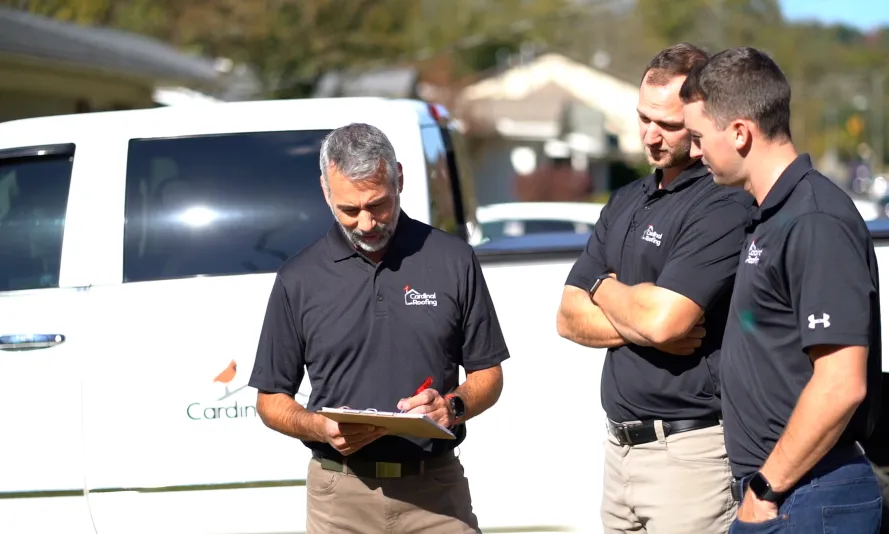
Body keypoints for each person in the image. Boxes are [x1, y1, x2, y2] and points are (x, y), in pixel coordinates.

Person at [248, 122, 509, 534]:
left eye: (378, 205)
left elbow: (488, 374)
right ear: (325, 192)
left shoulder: (453, 260)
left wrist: (451, 407)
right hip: (340, 496)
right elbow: (271, 400)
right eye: (349, 210)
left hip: (436, 494)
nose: (366, 223)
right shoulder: (298, 278)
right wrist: (320, 427)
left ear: (399, 179)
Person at [679, 46, 883, 533]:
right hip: (788, 493)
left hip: (804, 494)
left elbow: (840, 383)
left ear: (741, 133)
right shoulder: (769, 215)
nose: (693, 151)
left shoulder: (813, 220)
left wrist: (765, 490)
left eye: (697, 136)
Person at [556, 43, 755, 534]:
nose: (649, 135)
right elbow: (566, 315)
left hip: (690, 455)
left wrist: (601, 289)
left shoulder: (722, 202)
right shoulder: (626, 199)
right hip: (618, 452)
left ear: (701, 114)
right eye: (643, 118)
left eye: (667, 124)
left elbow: (669, 320)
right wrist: (634, 315)